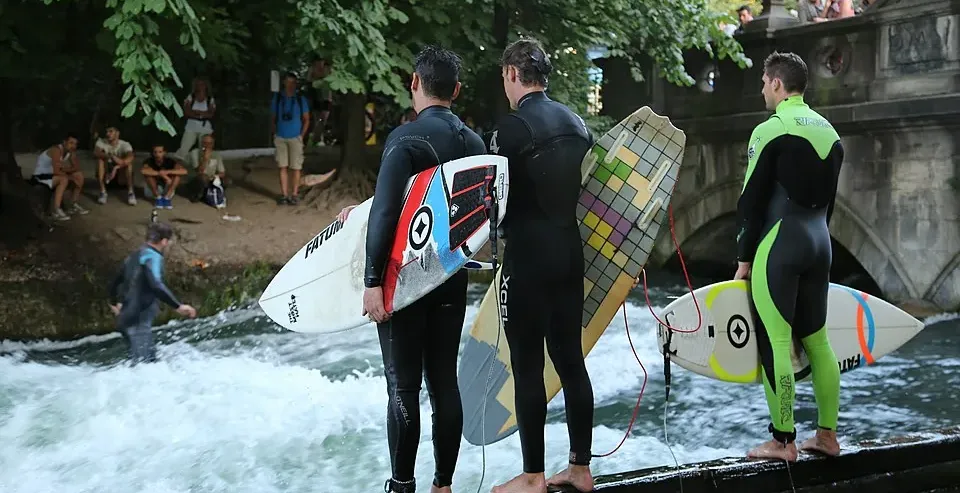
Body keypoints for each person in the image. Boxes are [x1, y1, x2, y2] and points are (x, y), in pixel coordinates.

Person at [337, 46, 485, 493]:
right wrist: (359, 213)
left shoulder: (404, 139)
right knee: (444, 380)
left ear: (413, 83)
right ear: (456, 91)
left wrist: (370, 283)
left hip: (402, 279)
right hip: (449, 277)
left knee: (402, 387)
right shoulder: (473, 144)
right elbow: (452, 216)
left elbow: (389, 214)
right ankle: (444, 485)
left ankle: (402, 485)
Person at [486, 38, 596, 493]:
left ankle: (532, 477)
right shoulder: (577, 123)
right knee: (570, 360)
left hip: (528, 258)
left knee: (527, 366)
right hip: (571, 253)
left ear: (512, 74)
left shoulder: (508, 129)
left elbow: (490, 203)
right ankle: (580, 469)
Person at [734, 51, 843, 461]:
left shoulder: (771, 129)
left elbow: (751, 201)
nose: (763, 89)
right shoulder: (831, 133)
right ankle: (827, 436)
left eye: (764, 82)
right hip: (820, 244)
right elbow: (828, 203)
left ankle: (783, 441)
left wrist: (745, 258)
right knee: (818, 341)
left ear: (777, 84)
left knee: (776, 341)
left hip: (780, 244)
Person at [108, 222, 197, 363]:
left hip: (126, 316)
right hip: (139, 319)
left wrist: (114, 302)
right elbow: (156, 285)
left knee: (147, 362)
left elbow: (115, 282)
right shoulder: (152, 257)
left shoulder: (133, 256)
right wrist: (178, 306)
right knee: (144, 366)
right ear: (164, 241)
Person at [270, 71, 310, 205]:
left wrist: (301, 136)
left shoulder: (300, 99)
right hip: (281, 137)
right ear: (284, 83)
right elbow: (273, 118)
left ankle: (294, 194)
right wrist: (275, 133)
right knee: (282, 166)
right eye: (288, 82)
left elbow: (306, 119)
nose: (290, 85)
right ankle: (284, 195)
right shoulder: (278, 99)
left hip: (295, 138)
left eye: (293, 83)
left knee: (296, 167)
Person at [31, 133, 89, 221]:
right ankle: (56, 210)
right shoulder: (56, 150)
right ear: (64, 142)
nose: (73, 146)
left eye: (75, 144)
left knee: (79, 175)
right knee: (64, 179)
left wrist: (67, 170)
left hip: (52, 175)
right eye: (71, 143)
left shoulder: (70, 152)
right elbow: (56, 171)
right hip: (41, 176)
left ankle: (73, 204)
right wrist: (69, 175)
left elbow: (76, 167)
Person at [175, 77, 216, 160]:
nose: (200, 86)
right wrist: (202, 114)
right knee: (184, 147)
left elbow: (211, 114)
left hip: (205, 127)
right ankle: (178, 165)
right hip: (191, 125)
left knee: (204, 148)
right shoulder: (191, 97)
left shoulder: (209, 99)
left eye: (202, 84)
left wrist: (197, 113)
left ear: (206, 86)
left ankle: (203, 166)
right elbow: (187, 111)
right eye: (198, 84)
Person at [94, 125, 136, 206]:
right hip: (107, 176)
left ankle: (131, 193)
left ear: (117, 133)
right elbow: (96, 152)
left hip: (120, 177)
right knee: (100, 160)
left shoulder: (124, 144)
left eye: (110, 131)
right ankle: (103, 192)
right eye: (107, 132)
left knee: (129, 164)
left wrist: (116, 167)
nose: (108, 134)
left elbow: (130, 157)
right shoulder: (101, 142)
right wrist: (111, 156)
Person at [141, 144, 188, 209]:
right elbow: (143, 171)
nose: (157, 154)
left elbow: (184, 171)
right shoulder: (148, 161)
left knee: (177, 175)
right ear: (153, 153)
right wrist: (163, 175)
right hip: (153, 190)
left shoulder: (170, 161)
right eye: (155, 152)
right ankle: (158, 198)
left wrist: (167, 172)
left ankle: (167, 198)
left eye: (160, 152)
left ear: (164, 152)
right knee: (148, 175)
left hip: (167, 188)